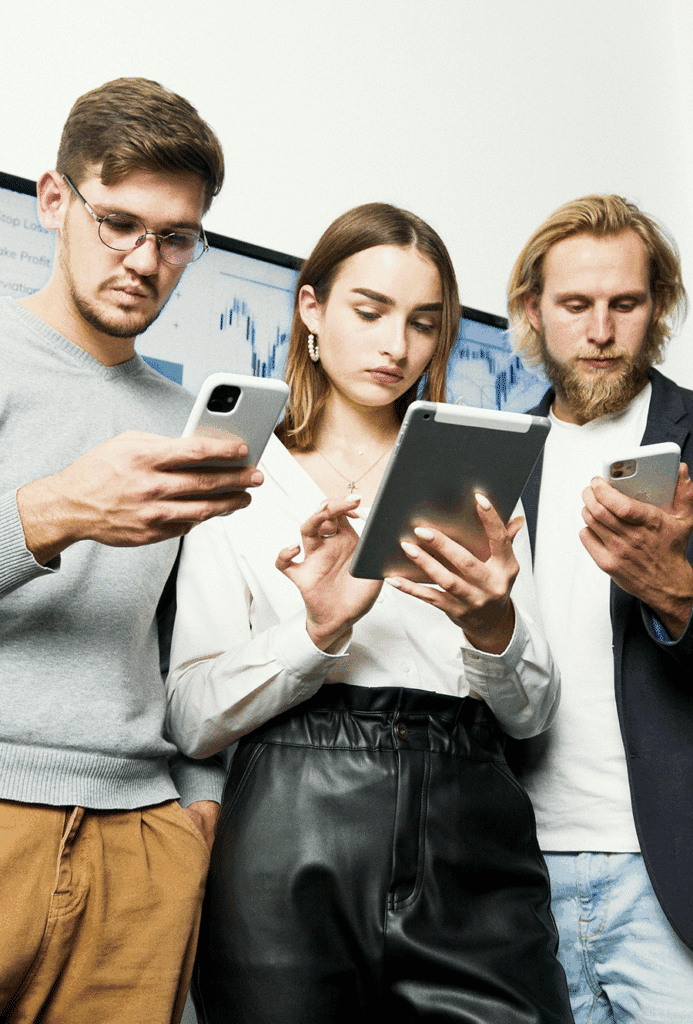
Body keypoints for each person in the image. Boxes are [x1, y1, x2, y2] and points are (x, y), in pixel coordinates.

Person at [165, 203, 573, 1023]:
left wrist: (490, 625)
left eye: (422, 322)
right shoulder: (238, 479)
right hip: (290, 825)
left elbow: (531, 716)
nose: (397, 346)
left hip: (470, 821)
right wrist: (316, 632)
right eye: (370, 311)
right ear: (311, 309)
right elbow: (190, 717)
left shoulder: (473, 476)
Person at [0, 78, 264, 1024]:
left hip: (142, 843)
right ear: (54, 200)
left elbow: (179, 638)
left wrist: (197, 798)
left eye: (176, 238)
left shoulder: (184, 421)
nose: (145, 262)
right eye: (119, 224)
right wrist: (54, 512)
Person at [506, 194, 693, 1023]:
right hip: (515, 873)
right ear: (532, 310)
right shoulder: (490, 454)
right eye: (574, 304)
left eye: (625, 303)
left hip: (670, 875)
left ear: (659, 306)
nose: (600, 330)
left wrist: (676, 593)